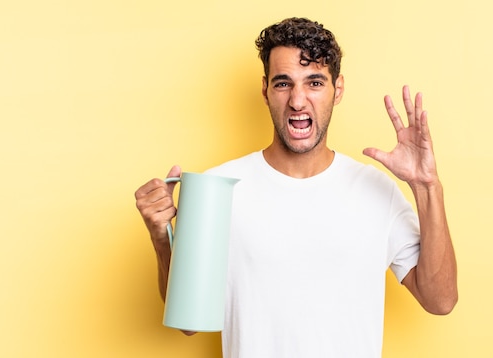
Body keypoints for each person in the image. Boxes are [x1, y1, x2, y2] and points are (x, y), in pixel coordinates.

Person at [135, 17, 457, 358]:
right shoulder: (220, 189)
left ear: (339, 89)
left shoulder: (378, 191)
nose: (298, 101)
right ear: (265, 91)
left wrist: (427, 187)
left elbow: (440, 300)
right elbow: (189, 322)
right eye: (283, 83)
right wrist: (161, 237)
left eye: (315, 82)